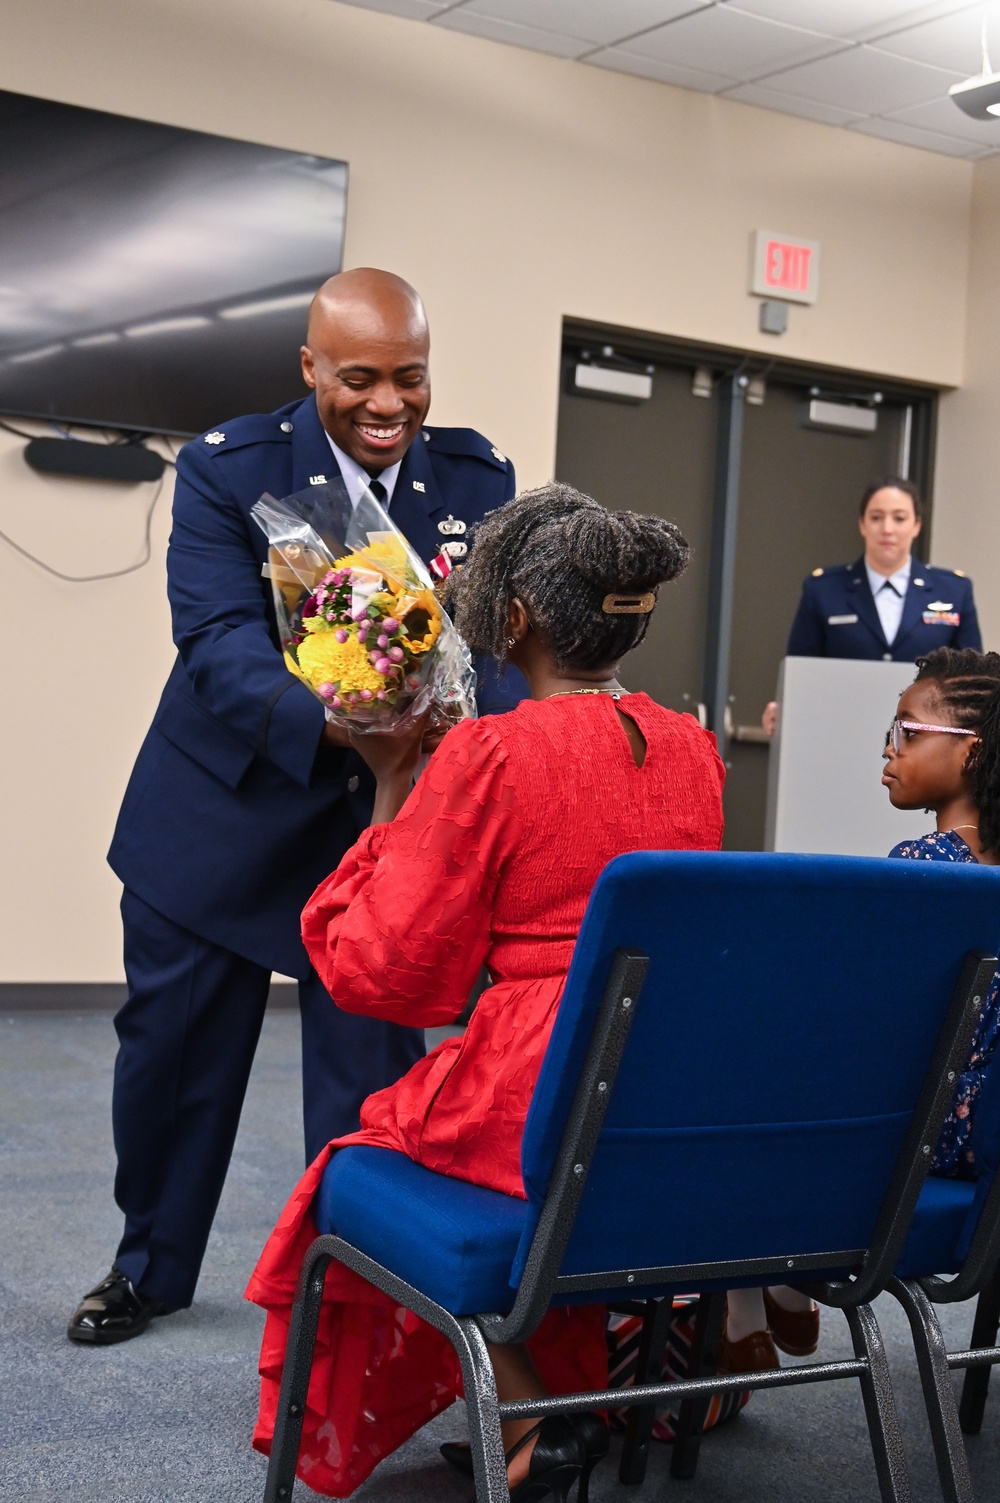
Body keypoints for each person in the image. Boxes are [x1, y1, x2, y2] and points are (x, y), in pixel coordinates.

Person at [245, 482, 727, 1500]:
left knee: (358, 1165)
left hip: (531, 1079)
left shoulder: (490, 751)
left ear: (509, 620)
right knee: (554, 1191)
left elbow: (395, 971)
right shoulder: (692, 748)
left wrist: (389, 785)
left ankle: (527, 1401)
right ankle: (523, 1404)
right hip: (662, 1078)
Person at [68, 268, 521, 1346]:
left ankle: (359, 1289)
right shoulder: (230, 468)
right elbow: (217, 641)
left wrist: (465, 743)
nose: (387, 404)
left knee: (368, 1085)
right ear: (309, 368)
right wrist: (347, 726)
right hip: (219, 814)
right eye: (358, 377)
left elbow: (495, 644)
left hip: (377, 830)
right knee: (171, 1063)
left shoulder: (473, 474)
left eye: (409, 378)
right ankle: (150, 1267)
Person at [882, 648, 1000, 1175]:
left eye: (909, 732)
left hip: (938, 1130)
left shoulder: (925, 866)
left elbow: (885, 1031)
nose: (889, 748)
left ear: (972, 754)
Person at [762, 478, 981, 736]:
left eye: (899, 518)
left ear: (917, 525)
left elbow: (972, 681)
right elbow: (800, 672)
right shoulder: (823, 589)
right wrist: (785, 706)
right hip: (840, 729)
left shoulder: (953, 590)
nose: (887, 529)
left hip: (926, 736)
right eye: (876, 517)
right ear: (862, 524)